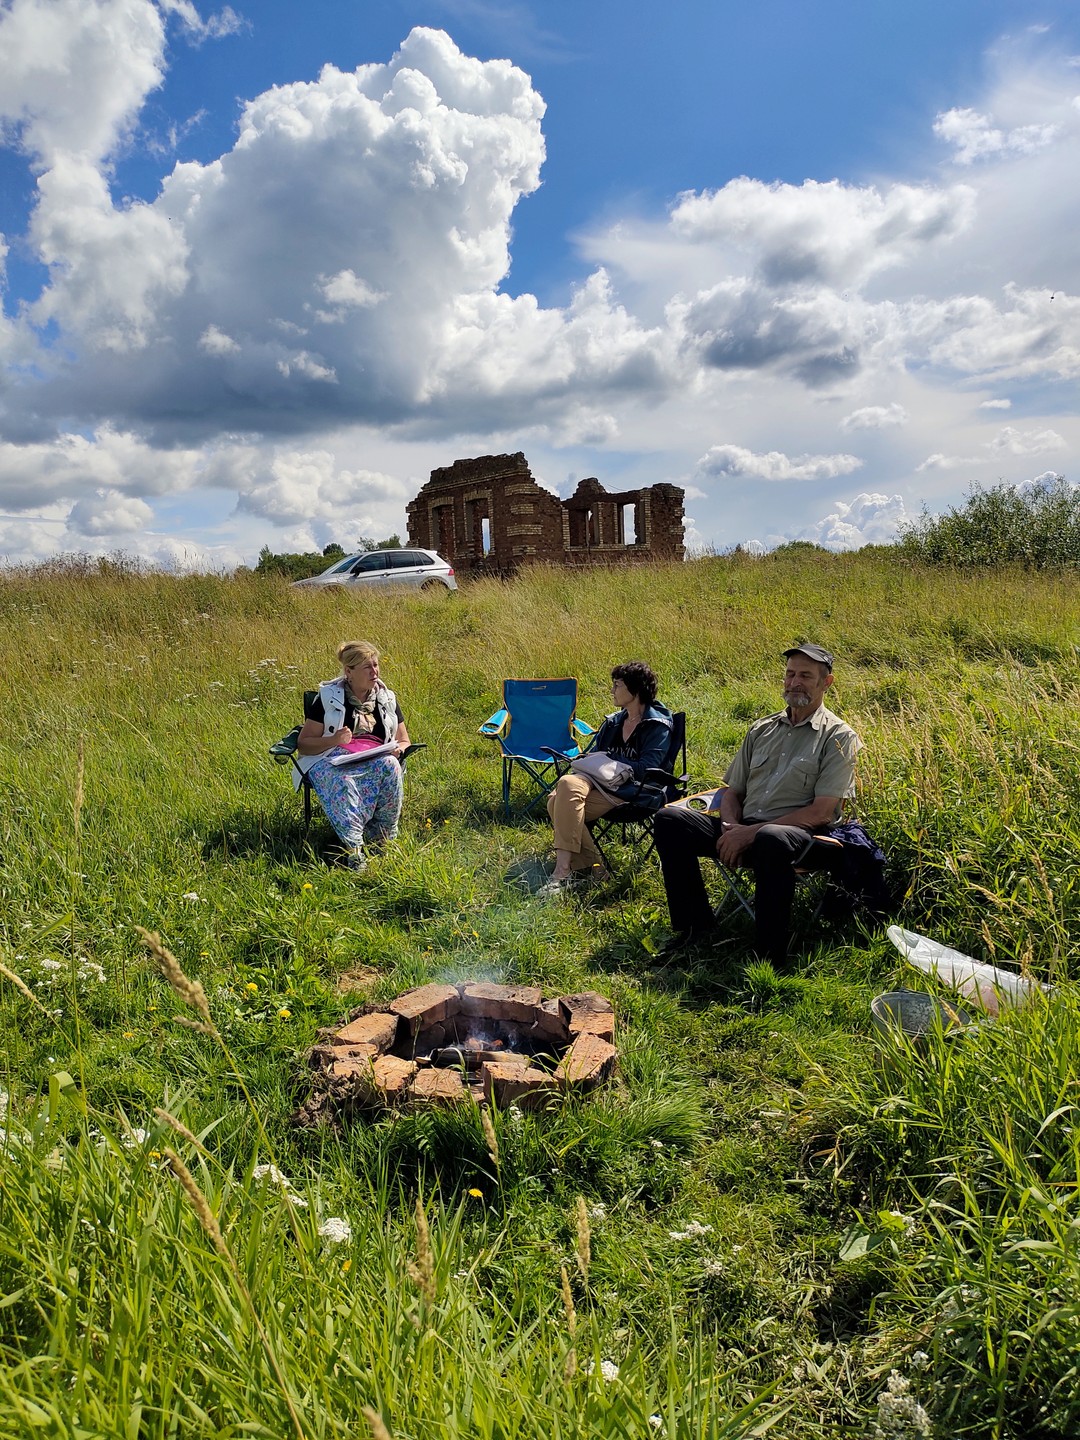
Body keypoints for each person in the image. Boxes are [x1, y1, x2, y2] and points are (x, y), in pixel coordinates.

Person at [653, 644, 861, 962]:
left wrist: (749, 834)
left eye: (805, 675)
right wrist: (732, 827)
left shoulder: (839, 737)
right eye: (790, 674)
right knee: (669, 820)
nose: (795, 682)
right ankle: (695, 928)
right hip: (746, 827)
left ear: (826, 683)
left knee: (770, 838)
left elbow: (821, 812)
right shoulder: (762, 729)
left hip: (803, 836)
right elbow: (732, 791)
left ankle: (769, 953)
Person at [542, 661, 673, 893]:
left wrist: (610, 762)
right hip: (597, 782)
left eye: (617, 685)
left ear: (635, 690)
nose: (612, 690)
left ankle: (581, 870)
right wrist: (600, 762)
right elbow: (597, 759)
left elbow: (648, 767)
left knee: (556, 802)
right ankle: (581, 871)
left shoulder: (657, 725)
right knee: (567, 783)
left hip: (634, 790)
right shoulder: (613, 722)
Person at [294, 640, 411, 871]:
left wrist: (400, 749)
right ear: (349, 672)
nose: (375, 672)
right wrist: (333, 740)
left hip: (375, 756)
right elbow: (304, 745)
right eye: (367, 667)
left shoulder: (386, 698)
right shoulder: (328, 698)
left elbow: (404, 739)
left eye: (376, 665)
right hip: (332, 758)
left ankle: (382, 840)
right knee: (344, 781)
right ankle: (354, 850)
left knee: (391, 765)